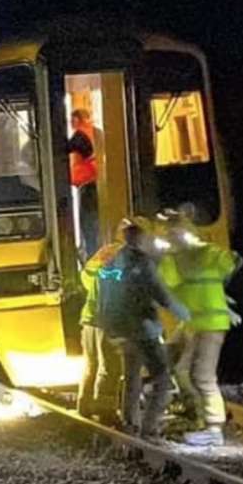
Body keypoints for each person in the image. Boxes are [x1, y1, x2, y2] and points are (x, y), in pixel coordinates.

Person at [96, 216, 189, 438]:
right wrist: (186, 314)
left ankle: (130, 425)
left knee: (132, 378)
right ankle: (150, 428)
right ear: (141, 238)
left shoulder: (112, 262)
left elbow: (104, 294)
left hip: (120, 330)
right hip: (143, 329)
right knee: (162, 378)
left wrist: (107, 325)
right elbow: (161, 295)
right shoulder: (143, 264)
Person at [159, 210, 242, 446]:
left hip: (210, 324)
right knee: (182, 371)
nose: (172, 235)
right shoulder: (176, 259)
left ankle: (214, 428)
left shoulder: (203, 252)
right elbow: (169, 285)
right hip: (196, 324)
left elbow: (230, 262)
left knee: (202, 376)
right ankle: (197, 417)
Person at [76, 220, 128, 425]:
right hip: (109, 320)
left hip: (90, 317)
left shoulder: (104, 252)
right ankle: (105, 411)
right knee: (111, 366)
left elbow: (86, 278)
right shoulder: (126, 256)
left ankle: (85, 405)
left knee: (91, 364)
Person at [68, 108, 99, 259]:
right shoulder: (95, 132)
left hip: (87, 185)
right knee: (95, 224)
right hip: (97, 183)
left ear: (77, 120)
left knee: (87, 226)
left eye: (71, 120)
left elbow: (63, 153)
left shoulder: (79, 136)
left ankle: (91, 256)